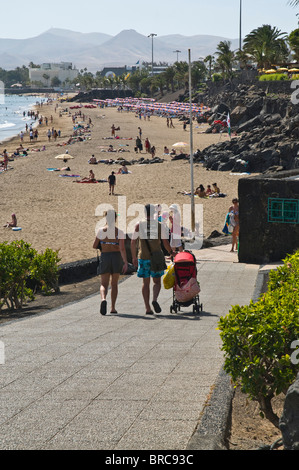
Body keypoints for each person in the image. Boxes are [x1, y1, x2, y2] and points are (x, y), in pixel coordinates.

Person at [131, 204, 173, 315]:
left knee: (145, 283)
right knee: (157, 282)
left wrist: (134, 257)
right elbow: (165, 242)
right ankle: (154, 300)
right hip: (157, 257)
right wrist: (171, 252)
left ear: (144, 212)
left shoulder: (138, 225)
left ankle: (148, 308)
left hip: (143, 257)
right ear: (154, 213)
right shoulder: (160, 226)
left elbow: (133, 242)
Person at [93, 210, 128, 315]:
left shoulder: (100, 231)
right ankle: (113, 307)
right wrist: (125, 262)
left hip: (105, 256)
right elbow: (122, 249)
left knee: (103, 283)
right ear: (115, 219)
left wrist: (102, 245)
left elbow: (94, 245)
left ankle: (103, 299)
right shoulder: (120, 232)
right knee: (114, 284)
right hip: (116, 257)